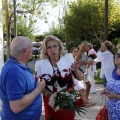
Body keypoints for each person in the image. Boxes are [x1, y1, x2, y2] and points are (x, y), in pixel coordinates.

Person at [35, 35, 84, 120]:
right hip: (51, 100)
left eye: (55, 46)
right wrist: (51, 95)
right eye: (49, 47)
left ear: (59, 47)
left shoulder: (68, 58)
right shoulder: (40, 64)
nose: (52, 49)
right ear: (46, 50)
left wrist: (76, 71)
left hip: (68, 99)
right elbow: (39, 85)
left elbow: (80, 78)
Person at [0, 36, 46, 120]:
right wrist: (38, 89)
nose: (33, 50)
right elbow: (16, 106)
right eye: (31, 48)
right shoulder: (14, 71)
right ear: (25, 51)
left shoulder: (17, 65)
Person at [102, 48, 120, 120]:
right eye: (117, 54)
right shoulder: (115, 69)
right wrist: (106, 89)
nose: (116, 57)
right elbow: (111, 84)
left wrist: (116, 96)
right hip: (111, 113)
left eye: (119, 55)